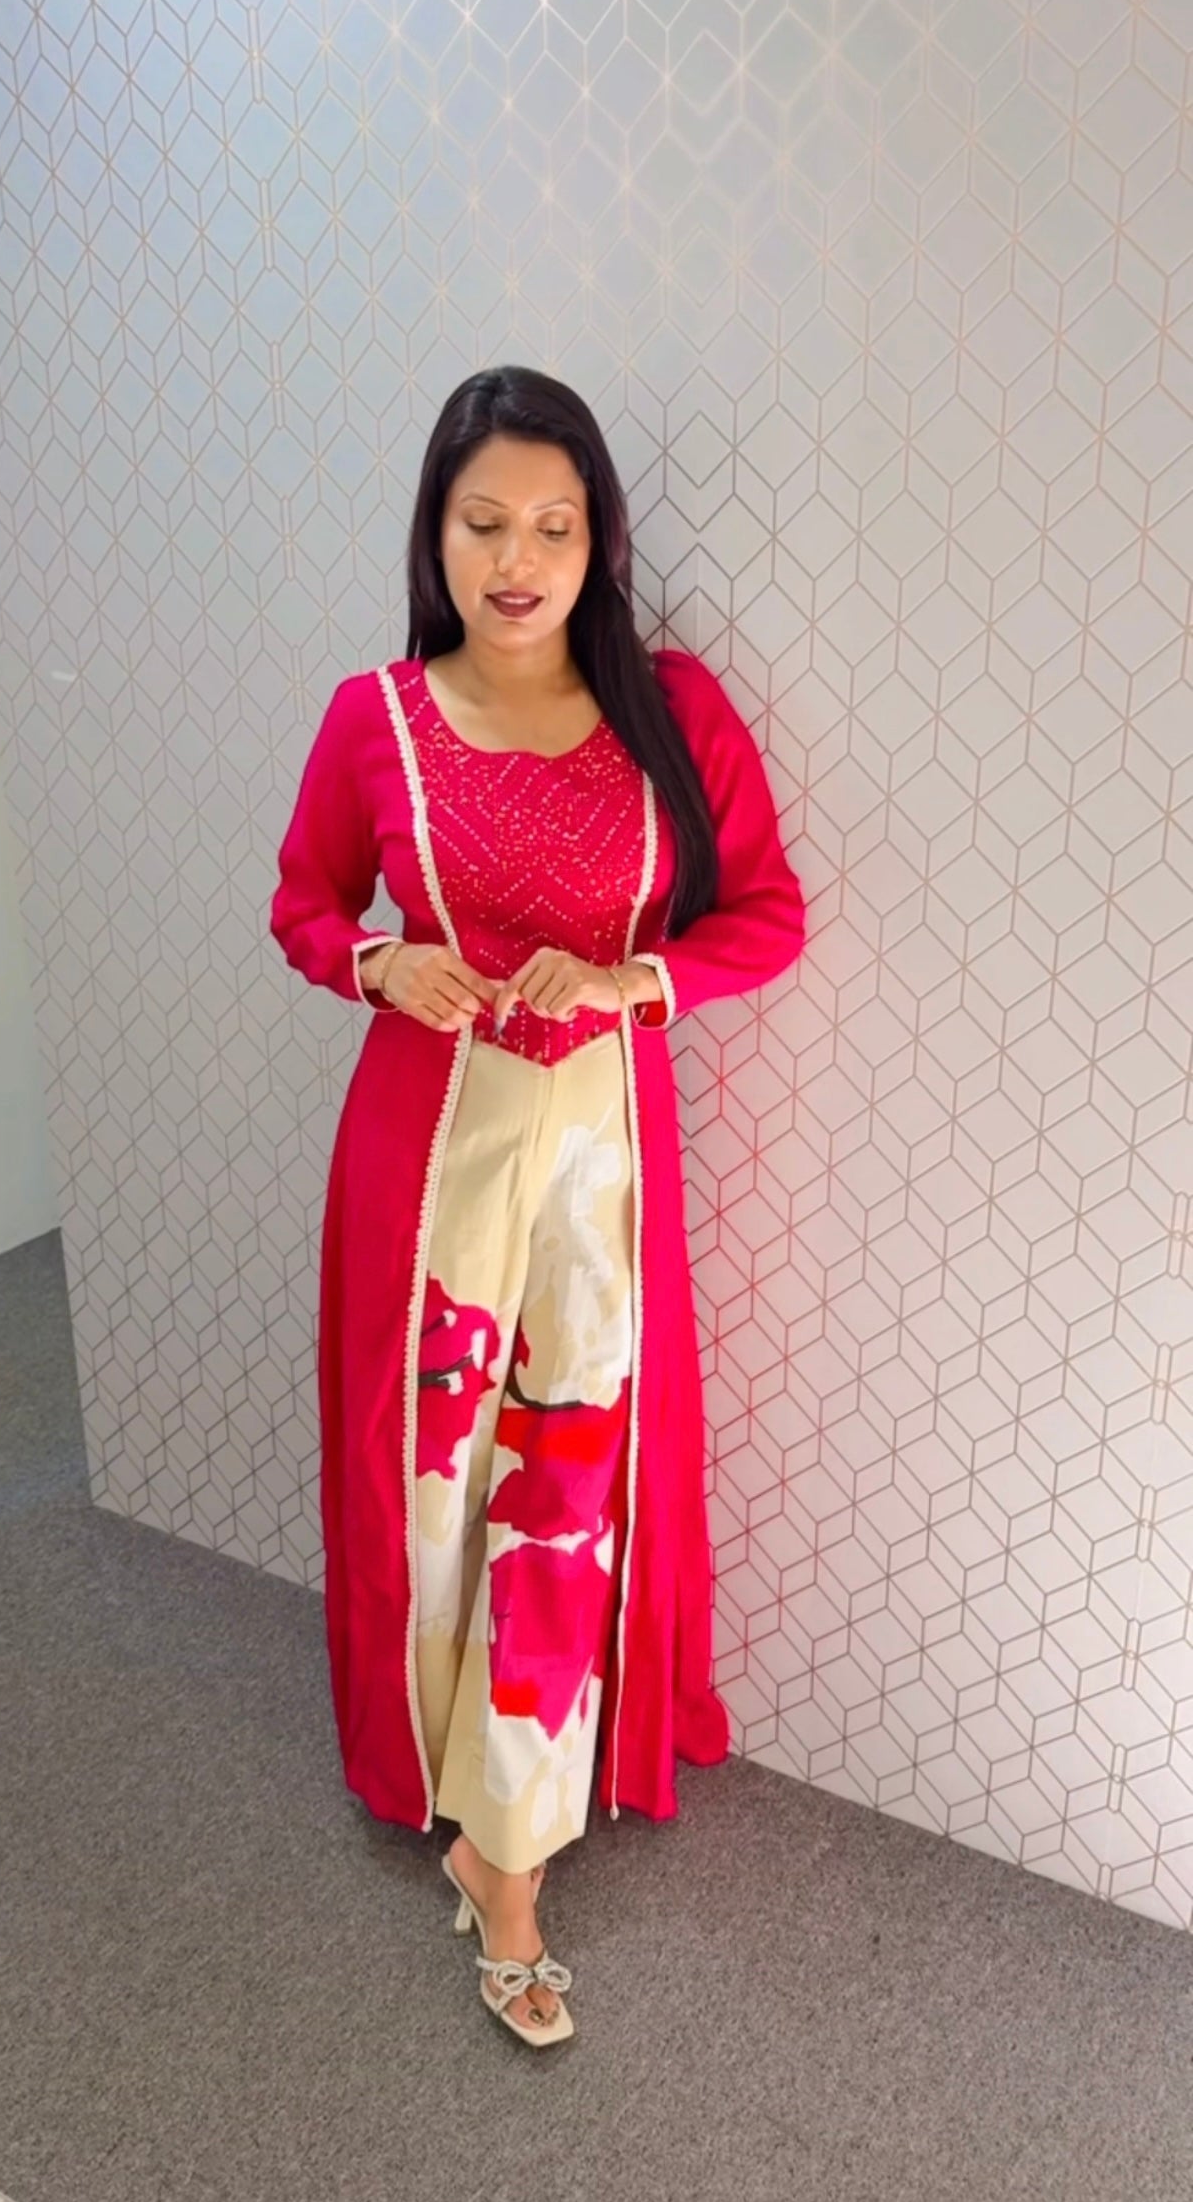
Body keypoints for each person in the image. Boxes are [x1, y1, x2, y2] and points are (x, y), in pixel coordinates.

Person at [269, 366, 806, 2049]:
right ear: (435, 535)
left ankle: (507, 1847)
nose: (519, 561)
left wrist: (635, 979)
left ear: (599, 540)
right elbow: (304, 903)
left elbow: (767, 914)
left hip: (599, 1163)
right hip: (422, 1153)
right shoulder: (375, 719)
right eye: (485, 522)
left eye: (554, 527)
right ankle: (446, 1782)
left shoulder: (671, 709)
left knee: (565, 1477)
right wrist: (377, 963)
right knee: (431, 1476)